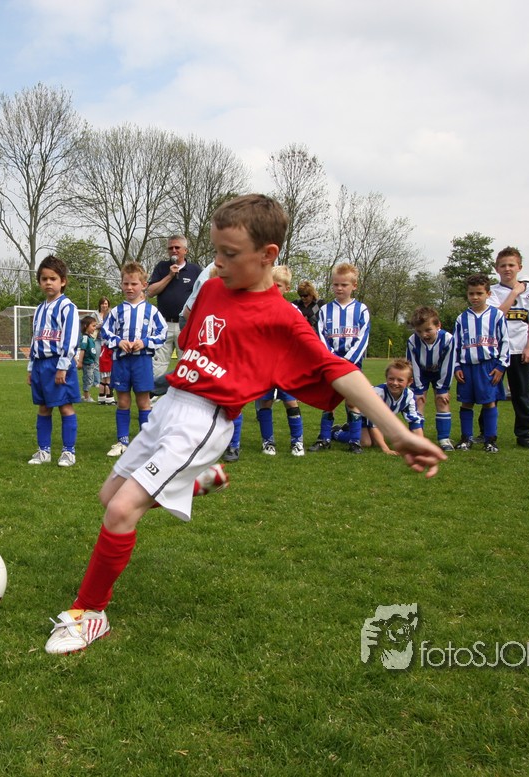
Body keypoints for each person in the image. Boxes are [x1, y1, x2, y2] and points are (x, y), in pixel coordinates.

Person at [42, 194, 445, 654]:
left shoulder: (282, 317)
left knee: (120, 512)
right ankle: (196, 481)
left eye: (229, 254)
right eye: (216, 251)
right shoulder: (213, 289)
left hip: (204, 422)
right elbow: (193, 341)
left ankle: (90, 613)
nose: (217, 262)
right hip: (170, 407)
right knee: (108, 497)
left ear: (267, 255)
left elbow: (341, 372)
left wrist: (398, 431)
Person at [227, 265, 306, 459]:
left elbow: (300, 337)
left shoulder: (293, 310)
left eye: (278, 286)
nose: (273, 289)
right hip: (263, 367)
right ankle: (268, 441)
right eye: (270, 284)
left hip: (286, 367)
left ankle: (297, 442)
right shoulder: (258, 307)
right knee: (265, 402)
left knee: (291, 402)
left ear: (287, 288)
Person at [102, 262, 166, 458]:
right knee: (122, 401)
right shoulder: (116, 311)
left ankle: (145, 443)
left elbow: (162, 333)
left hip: (142, 362)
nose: (129, 288)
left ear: (144, 285)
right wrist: (118, 341)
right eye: (126, 284)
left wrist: (144, 342)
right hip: (121, 362)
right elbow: (105, 332)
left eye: (134, 284)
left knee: (143, 402)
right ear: (121, 284)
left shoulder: (152, 311)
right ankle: (122, 442)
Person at [310, 263, 370, 453]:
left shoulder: (361, 310)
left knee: (352, 401)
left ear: (354, 286)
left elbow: (363, 338)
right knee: (329, 400)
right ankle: (324, 438)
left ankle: (355, 441)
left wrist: (348, 361)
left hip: (352, 365)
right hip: (331, 364)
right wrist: (333, 360)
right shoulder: (325, 310)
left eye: (344, 285)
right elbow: (321, 337)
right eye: (336, 284)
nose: (339, 288)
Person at [27, 255, 80, 467]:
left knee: (65, 407)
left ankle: (68, 451)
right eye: (44, 279)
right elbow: (34, 338)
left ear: (63, 281)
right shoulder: (39, 309)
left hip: (58, 364)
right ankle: (44, 451)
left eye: (53, 278)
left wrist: (63, 366)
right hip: (40, 365)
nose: (48, 282)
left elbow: (70, 338)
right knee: (43, 408)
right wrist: (30, 367)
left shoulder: (67, 307)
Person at [489, 247, 529, 449]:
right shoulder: (492, 291)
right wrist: (514, 293)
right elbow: (497, 315)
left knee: (521, 395)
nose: (507, 269)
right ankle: (487, 433)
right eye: (503, 265)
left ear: (519, 267)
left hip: (520, 351)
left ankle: (525, 435)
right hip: (497, 352)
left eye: (511, 265)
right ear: (497, 269)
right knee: (491, 395)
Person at [453, 273, 510, 453]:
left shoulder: (497, 315)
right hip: (467, 367)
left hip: (488, 366)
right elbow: (456, 345)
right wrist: (456, 366)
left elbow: (505, 342)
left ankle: (490, 439)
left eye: (479, 293)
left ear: (488, 294)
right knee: (466, 402)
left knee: (489, 402)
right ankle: (466, 438)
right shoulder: (461, 318)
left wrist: (501, 366)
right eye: (471, 294)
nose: (475, 297)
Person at [332, 358, 425, 453]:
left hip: (376, 418)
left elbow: (415, 421)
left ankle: (349, 428)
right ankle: (335, 432)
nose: (395, 383)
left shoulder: (409, 396)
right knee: (366, 442)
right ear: (386, 377)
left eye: (400, 380)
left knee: (375, 441)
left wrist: (421, 445)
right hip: (359, 411)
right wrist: (386, 449)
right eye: (391, 379)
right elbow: (373, 423)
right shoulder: (379, 393)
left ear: (409, 381)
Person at [146, 235, 202, 380]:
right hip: (164, 324)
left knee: (186, 364)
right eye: (170, 248)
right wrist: (170, 276)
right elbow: (150, 292)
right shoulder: (162, 267)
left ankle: (184, 392)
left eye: (177, 247)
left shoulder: (195, 270)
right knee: (157, 365)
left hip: (186, 324)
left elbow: (203, 295)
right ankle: (154, 393)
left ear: (185, 250)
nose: (174, 250)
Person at [406, 306, 456, 450]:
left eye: (428, 330)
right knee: (418, 401)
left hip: (440, 372)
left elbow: (448, 364)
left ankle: (444, 439)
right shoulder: (412, 341)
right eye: (419, 331)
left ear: (438, 325)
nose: (424, 335)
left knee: (442, 400)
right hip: (421, 373)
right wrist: (417, 388)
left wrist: (443, 388)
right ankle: (417, 439)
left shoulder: (448, 339)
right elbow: (412, 365)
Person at [95, 297, 115, 405]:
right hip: (107, 355)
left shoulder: (103, 339)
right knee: (108, 379)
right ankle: (109, 398)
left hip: (102, 355)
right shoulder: (109, 339)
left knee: (103, 379)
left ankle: (101, 397)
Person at [78, 316, 100, 402]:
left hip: (91, 362)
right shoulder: (85, 338)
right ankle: (87, 396)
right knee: (88, 379)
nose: (95, 328)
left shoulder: (90, 338)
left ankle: (85, 395)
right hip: (87, 363)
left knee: (90, 378)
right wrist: (80, 362)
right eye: (93, 326)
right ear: (86, 326)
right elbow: (82, 350)